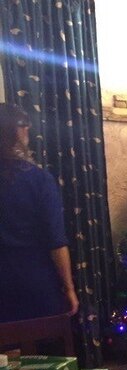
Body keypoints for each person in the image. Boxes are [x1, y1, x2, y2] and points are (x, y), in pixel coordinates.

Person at [0, 103, 78, 322]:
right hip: (34, 280)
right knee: (41, 341)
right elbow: (56, 241)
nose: (28, 129)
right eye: (23, 124)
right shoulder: (38, 179)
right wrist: (69, 288)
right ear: (11, 130)